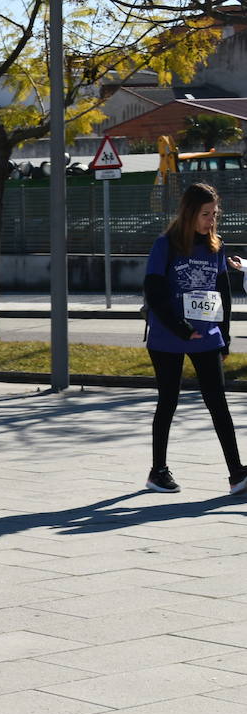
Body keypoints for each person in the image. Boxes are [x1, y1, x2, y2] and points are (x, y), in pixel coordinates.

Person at [143, 181, 247, 495]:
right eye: (205, 214)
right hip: (168, 336)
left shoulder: (216, 246)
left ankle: (237, 474)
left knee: (218, 403)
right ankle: (158, 470)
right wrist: (181, 327)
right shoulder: (166, 245)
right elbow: (154, 292)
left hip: (207, 337)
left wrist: (225, 336)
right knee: (168, 401)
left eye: (215, 214)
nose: (211, 220)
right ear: (189, 214)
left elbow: (223, 294)